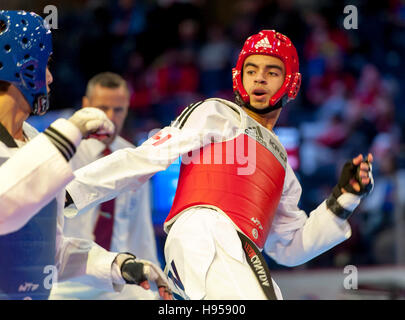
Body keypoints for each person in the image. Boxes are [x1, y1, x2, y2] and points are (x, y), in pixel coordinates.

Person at [64, 30, 374, 300]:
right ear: (239, 76)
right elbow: (148, 157)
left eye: (271, 71)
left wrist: (344, 199)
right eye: (251, 70)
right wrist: (69, 190)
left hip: (241, 252)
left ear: (291, 82)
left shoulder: (283, 164)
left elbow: (290, 247)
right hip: (205, 233)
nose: (259, 78)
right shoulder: (218, 112)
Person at [0, 10, 171, 300]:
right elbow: (6, 206)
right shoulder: (52, 147)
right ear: (22, 67)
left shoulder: (35, 143)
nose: (51, 78)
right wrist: (71, 131)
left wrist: (116, 265)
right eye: (46, 65)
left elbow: (49, 253)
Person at [50, 72, 160, 300]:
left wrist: (153, 286)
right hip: (64, 280)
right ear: (85, 106)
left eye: (118, 110)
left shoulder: (135, 159)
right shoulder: (60, 154)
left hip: (115, 277)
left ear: (127, 109)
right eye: (102, 108)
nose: (110, 117)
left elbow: (140, 230)